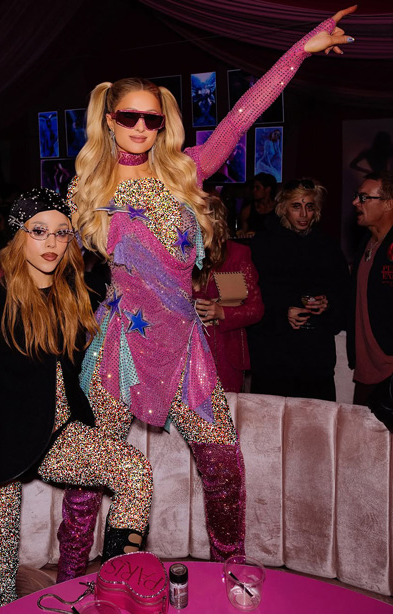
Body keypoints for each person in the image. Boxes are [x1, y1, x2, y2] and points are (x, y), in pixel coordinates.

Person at [56, 7, 358, 580]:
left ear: (163, 123)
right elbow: (49, 259)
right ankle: (70, 581)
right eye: (129, 117)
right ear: (110, 120)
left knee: (224, 465)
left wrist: (300, 49)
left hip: (186, 348)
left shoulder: (186, 172)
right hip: (121, 347)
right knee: (92, 478)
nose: (141, 128)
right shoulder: (88, 189)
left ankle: (231, 573)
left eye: (151, 118)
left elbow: (243, 116)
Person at [0, 188, 153, 612]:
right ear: (17, 236)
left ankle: (116, 593)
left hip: (58, 435)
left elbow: (131, 283)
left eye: (62, 233)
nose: (52, 242)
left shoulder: (79, 298)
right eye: (39, 231)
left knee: (134, 471)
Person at [248, 179, 351, 400]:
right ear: (283, 207)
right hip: (274, 357)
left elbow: (345, 293)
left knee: (316, 419)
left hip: (315, 359)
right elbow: (252, 297)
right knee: (270, 420)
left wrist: (328, 303)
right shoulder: (263, 246)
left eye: (309, 206)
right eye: (296, 206)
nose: (304, 214)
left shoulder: (328, 247)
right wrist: (282, 311)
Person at [192, 195, 264, 392]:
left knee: (226, 408)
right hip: (188, 354)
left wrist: (222, 312)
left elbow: (256, 309)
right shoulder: (183, 255)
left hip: (226, 354)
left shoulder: (237, 255)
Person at [347, 171, 393, 406]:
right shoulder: (366, 244)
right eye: (357, 196)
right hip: (366, 371)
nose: (356, 202)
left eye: (364, 197)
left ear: (388, 204)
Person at [238, 173, 278, 237]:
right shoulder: (247, 210)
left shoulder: (279, 209)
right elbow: (243, 233)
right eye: (253, 188)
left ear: (267, 189)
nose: (254, 190)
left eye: (257, 188)